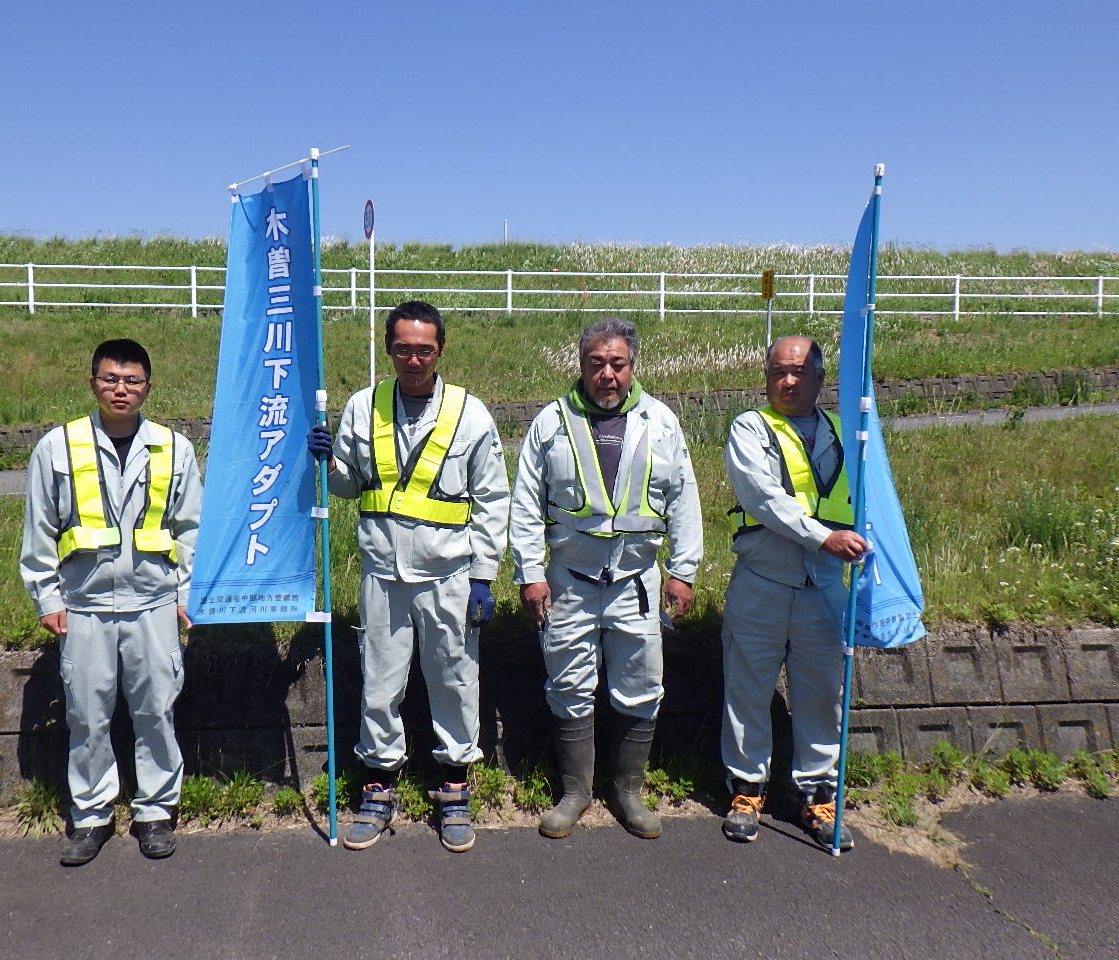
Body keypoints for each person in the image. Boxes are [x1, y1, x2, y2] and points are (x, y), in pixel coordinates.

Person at [306, 301, 509, 853]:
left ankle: (454, 788)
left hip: (450, 574)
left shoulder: (470, 414)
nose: (412, 359)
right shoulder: (361, 407)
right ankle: (378, 787)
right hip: (383, 574)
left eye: (424, 349)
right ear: (388, 347)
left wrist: (485, 576)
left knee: (454, 681)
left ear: (441, 349)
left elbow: (493, 498)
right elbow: (349, 486)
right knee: (380, 683)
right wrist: (325, 462)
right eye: (402, 349)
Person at [509, 318, 702, 840]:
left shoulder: (661, 422)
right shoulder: (550, 423)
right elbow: (525, 504)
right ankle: (576, 792)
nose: (607, 375)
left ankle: (628, 791)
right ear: (581, 366)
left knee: (641, 686)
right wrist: (529, 574)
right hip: (567, 580)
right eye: (597, 364)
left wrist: (683, 572)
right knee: (568, 684)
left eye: (617, 364)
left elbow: (684, 500)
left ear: (632, 367)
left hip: (636, 581)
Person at [19, 338, 203, 866]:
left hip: (154, 602)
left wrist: (186, 594)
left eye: (132, 381)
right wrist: (46, 596)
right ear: (92, 382)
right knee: (87, 714)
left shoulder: (174, 447)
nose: (120, 389)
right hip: (84, 604)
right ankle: (91, 815)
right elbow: (39, 531)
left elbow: (191, 528)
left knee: (156, 711)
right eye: (110, 379)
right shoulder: (58, 447)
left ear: (148, 386)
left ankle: (156, 812)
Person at [720, 335, 867, 851]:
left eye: (799, 372)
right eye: (779, 371)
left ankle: (819, 797)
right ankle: (746, 792)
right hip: (762, 583)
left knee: (822, 697)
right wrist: (823, 537)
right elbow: (762, 497)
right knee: (747, 692)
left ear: (819, 380)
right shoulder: (749, 427)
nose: (787, 381)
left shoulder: (851, 434)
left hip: (826, 588)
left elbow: (872, 503)